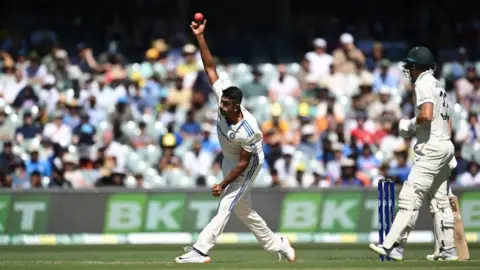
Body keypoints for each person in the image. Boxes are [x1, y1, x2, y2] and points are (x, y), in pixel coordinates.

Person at [175, 17, 295, 264]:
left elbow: (243, 164)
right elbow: (210, 68)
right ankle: (277, 244)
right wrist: (200, 36)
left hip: (248, 163)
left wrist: (222, 183)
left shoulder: (249, 129)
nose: (221, 105)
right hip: (230, 159)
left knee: (227, 204)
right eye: (221, 101)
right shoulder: (223, 98)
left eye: (226, 104)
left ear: (237, 106)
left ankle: (201, 250)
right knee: (244, 210)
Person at [369, 46, 458, 261]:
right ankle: (448, 250)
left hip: (432, 148)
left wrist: (409, 125)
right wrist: (445, 144)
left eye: (411, 65)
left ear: (418, 66)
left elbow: (426, 114)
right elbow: (448, 121)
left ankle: (394, 246)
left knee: (410, 195)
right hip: (444, 144)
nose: (408, 69)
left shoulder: (423, 83)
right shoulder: (438, 85)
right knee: (440, 200)